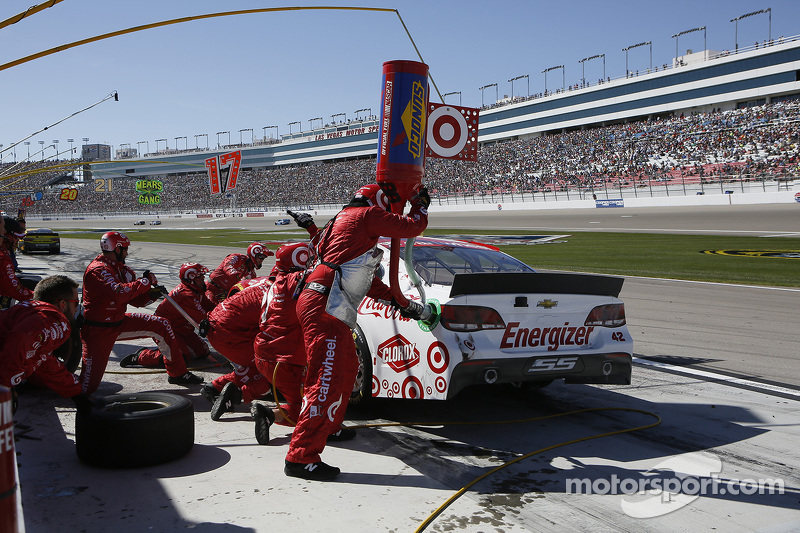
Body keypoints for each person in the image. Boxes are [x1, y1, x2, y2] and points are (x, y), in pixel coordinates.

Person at [284, 183, 432, 480]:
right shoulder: (365, 215)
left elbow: (360, 276)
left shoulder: (341, 222)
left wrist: (395, 300)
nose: (388, 210)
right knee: (325, 381)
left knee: (347, 371)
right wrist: (421, 205)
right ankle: (301, 457)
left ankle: (330, 427)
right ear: (375, 201)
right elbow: (413, 227)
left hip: (323, 301)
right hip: (326, 305)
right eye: (386, 204)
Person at [249, 242, 356, 446]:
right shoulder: (296, 281)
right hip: (284, 359)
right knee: (316, 402)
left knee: (304, 402)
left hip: (267, 353)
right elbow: (332, 270)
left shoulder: (277, 281)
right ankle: (324, 430)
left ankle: (270, 415)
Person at [78, 231, 203, 394]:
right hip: (98, 330)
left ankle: (178, 373)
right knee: (86, 388)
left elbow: (136, 301)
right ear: (117, 249)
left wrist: (152, 294)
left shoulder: (121, 269)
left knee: (161, 324)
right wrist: (144, 282)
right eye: (125, 249)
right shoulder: (98, 269)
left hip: (119, 322)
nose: (127, 252)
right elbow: (120, 293)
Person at [0, 275, 83, 412]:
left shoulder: (27, 308)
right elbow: (19, 343)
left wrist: (76, 391)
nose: (76, 308)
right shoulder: (54, 320)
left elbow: (43, 361)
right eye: (75, 302)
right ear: (62, 304)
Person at [121, 263, 216, 368]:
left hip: (182, 330)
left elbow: (211, 307)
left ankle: (168, 349)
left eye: (203, 277)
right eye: (200, 277)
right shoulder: (186, 295)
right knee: (180, 357)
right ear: (191, 279)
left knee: (202, 351)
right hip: (166, 330)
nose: (203, 280)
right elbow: (203, 318)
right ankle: (142, 356)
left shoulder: (197, 291)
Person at [202, 277, 273, 418]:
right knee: (270, 373)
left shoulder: (269, 282)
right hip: (229, 334)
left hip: (217, 324)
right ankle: (235, 396)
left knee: (255, 367)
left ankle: (215, 387)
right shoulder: (285, 296)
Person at [205, 242, 273, 302]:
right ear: (253, 254)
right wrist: (239, 277)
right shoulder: (236, 257)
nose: (261, 260)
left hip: (224, 295)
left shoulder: (252, 274)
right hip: (211, 289)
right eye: (260, 257)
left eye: (263, 258)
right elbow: (228, 266)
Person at [0, 216, 33, 303]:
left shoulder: (5, 254)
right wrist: (39, 296)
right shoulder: (2, 258)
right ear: (6, 236)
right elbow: (13, 290)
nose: (17, 240)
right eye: (15, 237)